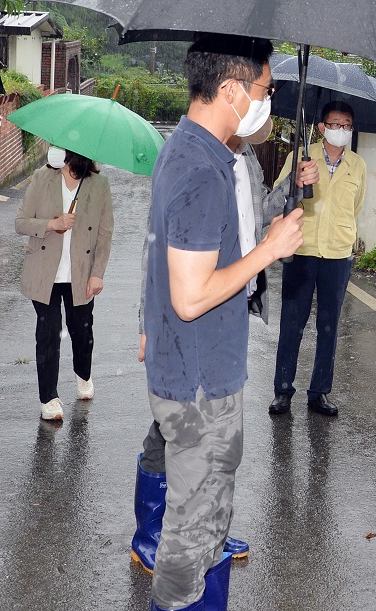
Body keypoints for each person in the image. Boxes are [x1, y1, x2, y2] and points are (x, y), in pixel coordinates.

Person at [144, 35, 303, 611]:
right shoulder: (197, 169)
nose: (266, 104)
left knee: (214, 506)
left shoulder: (197, 152)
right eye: (263, 91)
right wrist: (269, 251)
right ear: (233, 90)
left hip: (213, 371)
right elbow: (188, 296)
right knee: (190, 519)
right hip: (196, 384)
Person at [132, 123, 315, 576]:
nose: (264, 111)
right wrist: (145, 320)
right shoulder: (190, 162)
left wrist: (293, 189)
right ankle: (149, 532)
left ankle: (210, 528)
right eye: (261, 92)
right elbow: (155, 249)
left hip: (230, 303)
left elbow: (257, 221)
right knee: (172, 427)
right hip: (192, 313)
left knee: (215, 435)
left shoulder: (246, 160)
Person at [269, 100, 366, 418]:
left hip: (337, 255)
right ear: (322, 127)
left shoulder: (358, 166)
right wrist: (297, 181)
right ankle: (283, 390)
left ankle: (319, 392)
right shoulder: (301, 157)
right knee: (292, 322)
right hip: (301, 250)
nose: (342, 130)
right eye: (336, 124)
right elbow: (279, 197)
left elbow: (355, 208)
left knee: (329, 326)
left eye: (348, 125)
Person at [15, 146, 113, 422]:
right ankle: (48, 398)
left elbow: (105, 233)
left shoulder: (99, 185)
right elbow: (20, 222)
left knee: (82, 331)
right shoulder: (41, 178)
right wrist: (52, 223)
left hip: (80, 273)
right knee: (48, 333)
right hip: (44, 272)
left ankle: (83, 374)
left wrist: (98, 273)